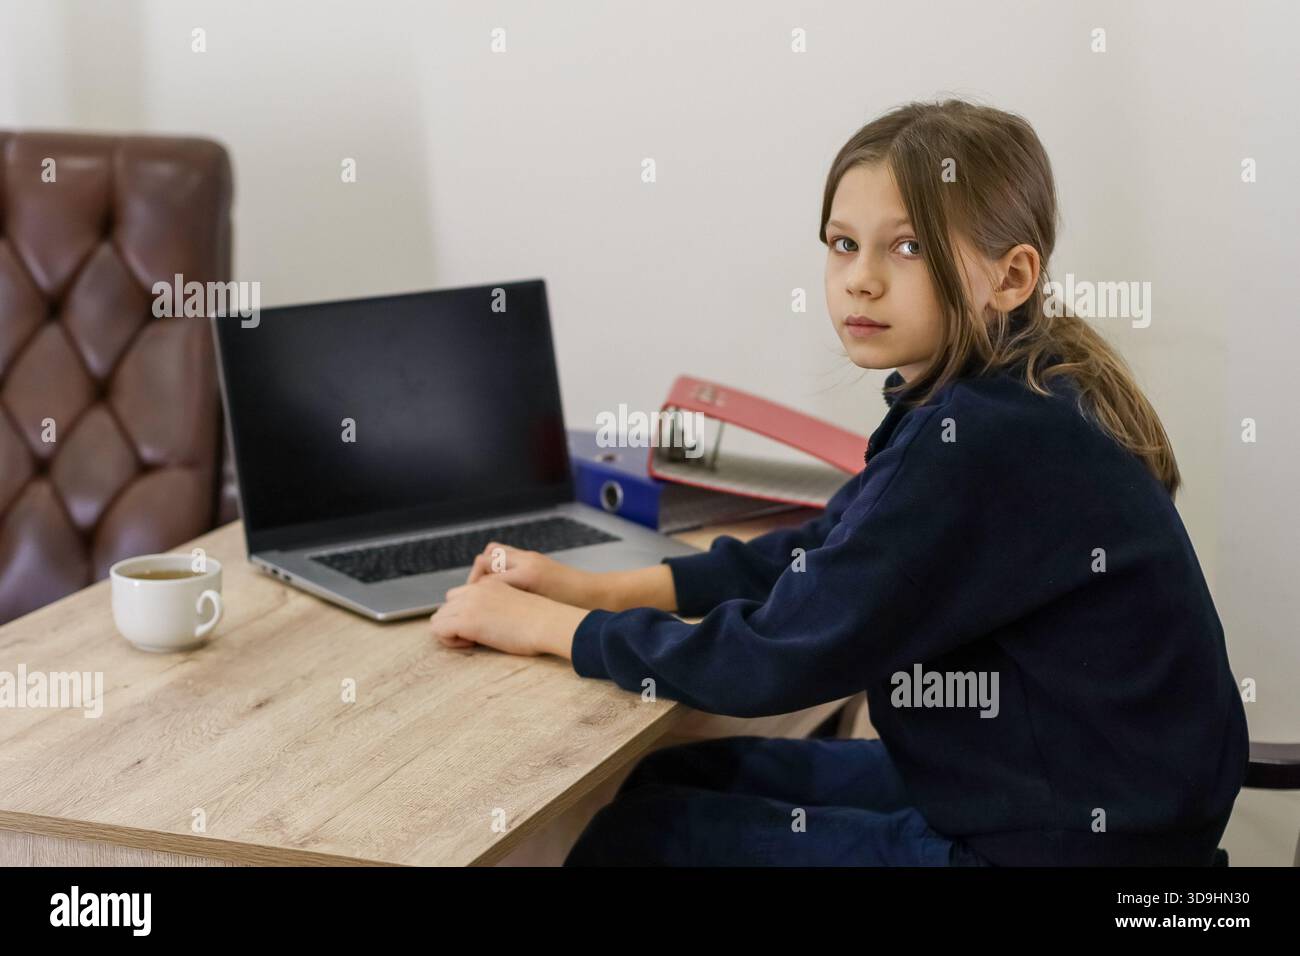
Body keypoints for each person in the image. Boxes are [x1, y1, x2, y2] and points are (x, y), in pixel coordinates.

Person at [428, 98, 1249, 866]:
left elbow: (779, 659)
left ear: (1012, 276)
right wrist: (593, 591)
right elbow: (828, 549)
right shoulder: (1008, 390)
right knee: (661, 787)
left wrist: (549, 630)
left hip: (1068, 843)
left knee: (642, 838)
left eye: (909, 247)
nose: (860, 278)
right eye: (843, 244)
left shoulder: (987, 439)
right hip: (1066, 795)